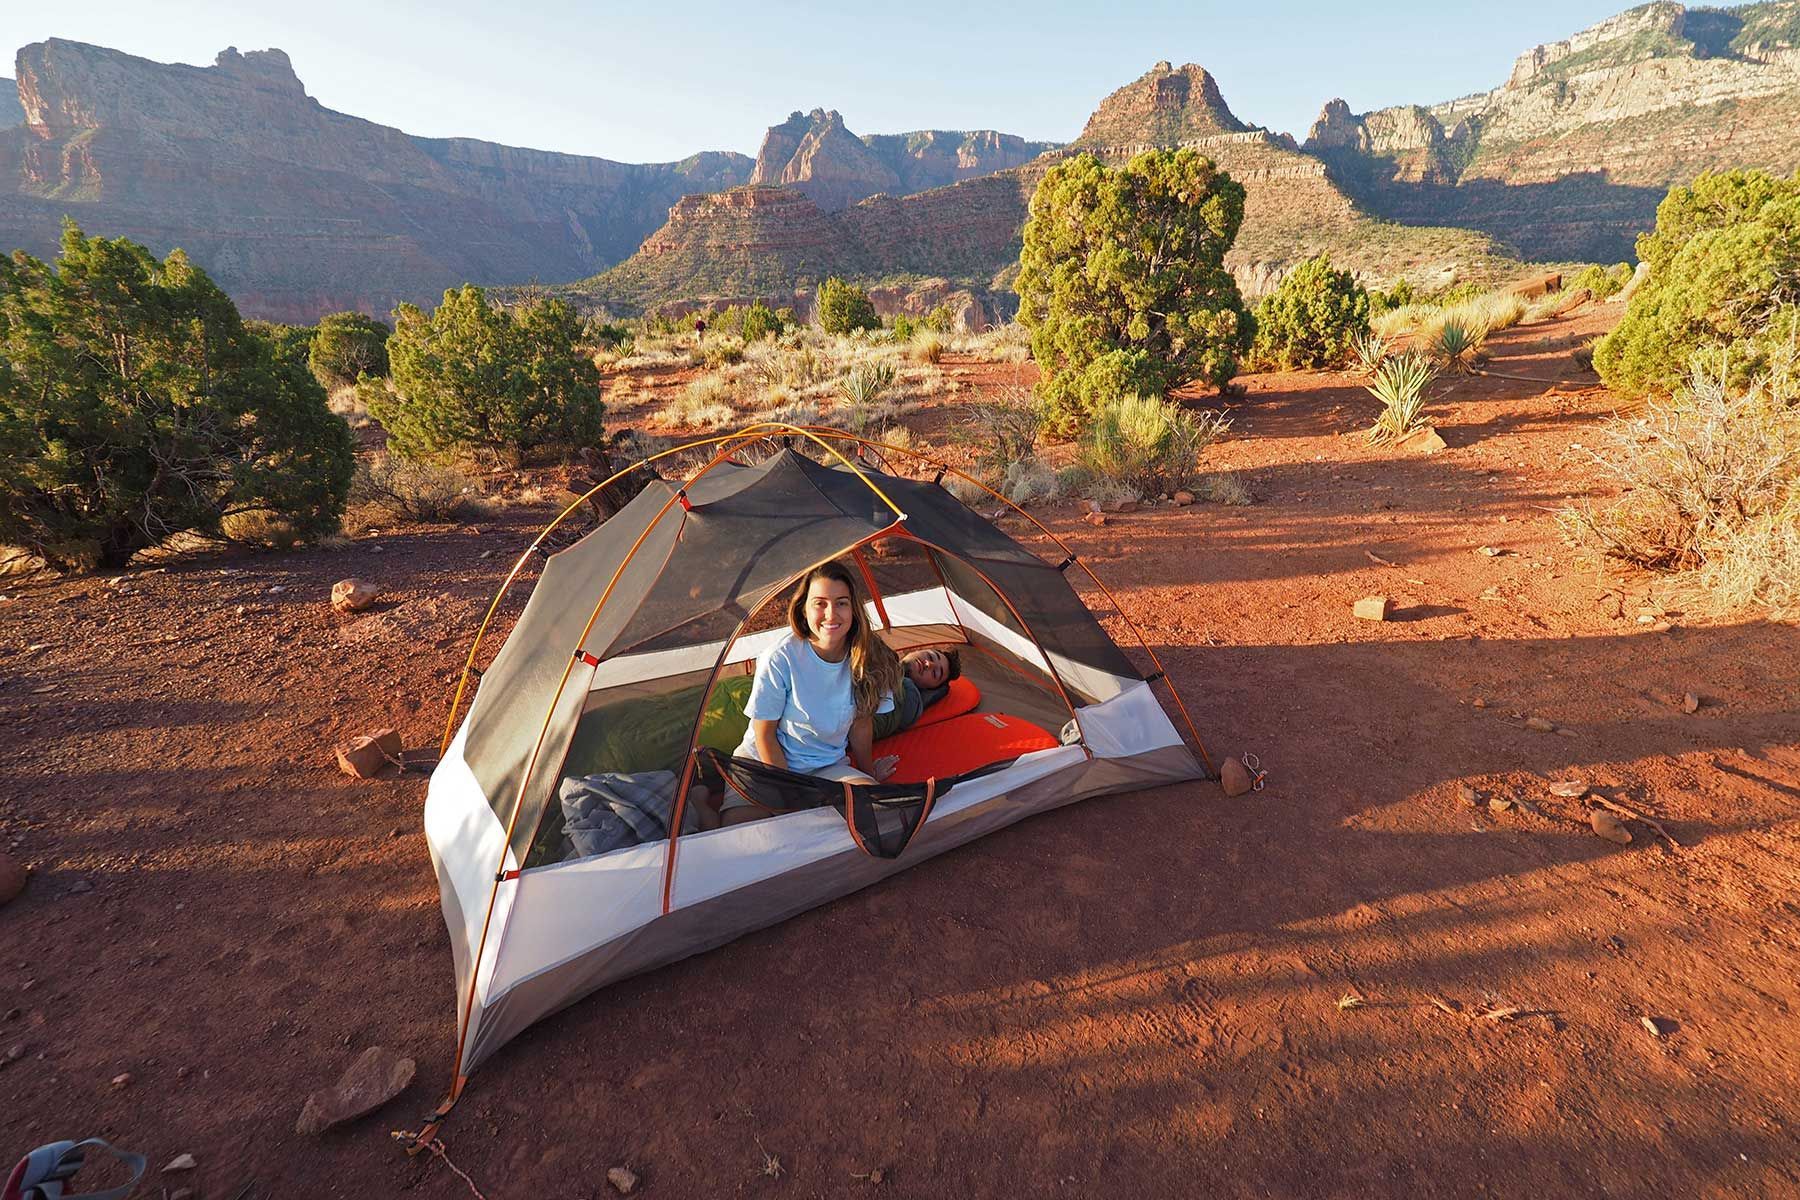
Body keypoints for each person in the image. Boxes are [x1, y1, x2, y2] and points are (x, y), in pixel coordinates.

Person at [725, 562, 903, 825]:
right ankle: (702, 800)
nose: (831, 615)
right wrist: (788, 802)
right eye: (820, 603)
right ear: (803, 609)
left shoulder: (870, 659)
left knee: (876, 812)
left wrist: (868, 773)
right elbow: (764, 734)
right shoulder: (780, 657)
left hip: (824, 768)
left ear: (854, 609)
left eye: (841, 603)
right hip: (764, 764)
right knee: (742, 835)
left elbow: (862, 725)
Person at [873, 647, 963, 739]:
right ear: (917, 650)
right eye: (930, 657)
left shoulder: (909, 698)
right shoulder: (883, 655)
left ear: (929, 688)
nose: (928, 664)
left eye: (934, 673)